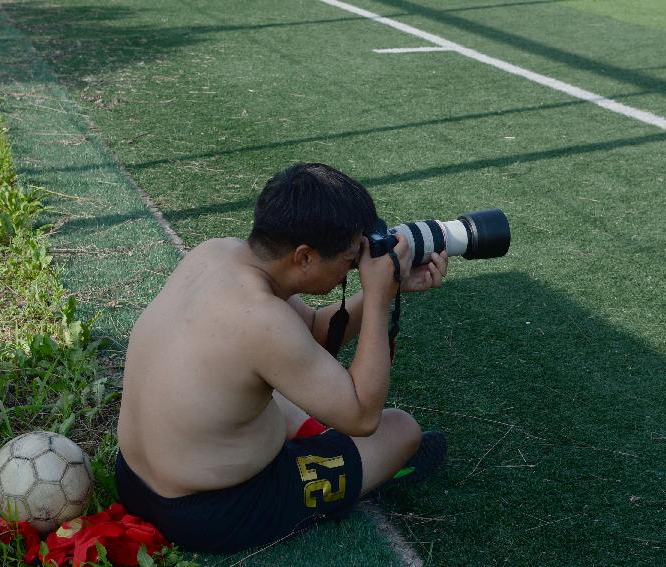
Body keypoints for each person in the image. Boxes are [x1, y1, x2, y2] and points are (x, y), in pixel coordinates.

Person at [115, 163, 449, 553]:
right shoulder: (264, 323)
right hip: (212, 512)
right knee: (401, 431)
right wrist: (377, 301)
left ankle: (314, 438)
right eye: (347, 260)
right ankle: (354, 470)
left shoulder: (216, 253)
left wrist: (390, 289)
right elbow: (362, 416)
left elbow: (312, 335)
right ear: (304, 257)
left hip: (134, 480)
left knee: (263, 382)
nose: (351, 270)